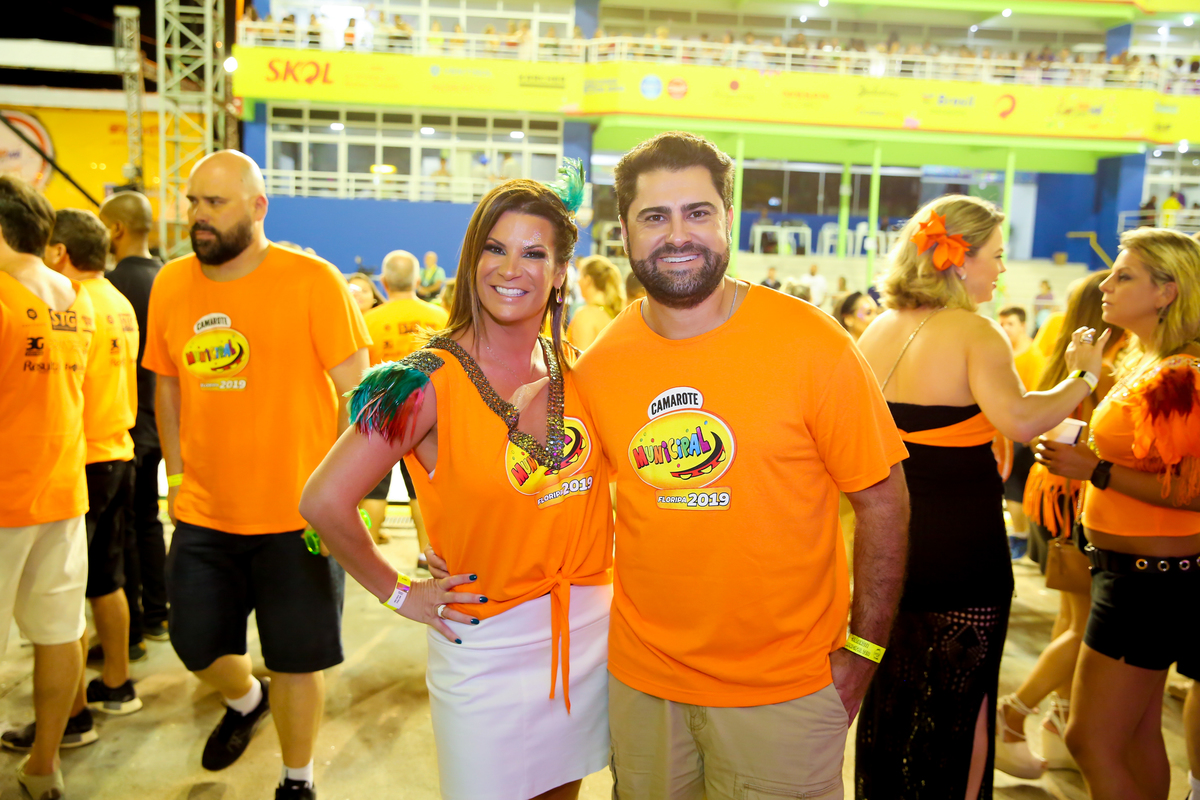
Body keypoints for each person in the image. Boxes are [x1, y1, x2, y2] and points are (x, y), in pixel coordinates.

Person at [574, 131, 911, 798]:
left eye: (697, 212)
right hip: (644, 687)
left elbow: (884, 502)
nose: (677, 234)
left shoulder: (812, 344)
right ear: (624, 231)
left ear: (728, 218)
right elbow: (565, 499)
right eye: (654, 216)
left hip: (783, 692)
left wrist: (865, 652)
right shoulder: (603, 363)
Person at [301, 165, 614, 800]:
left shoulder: (580, 371)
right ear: (472, 261)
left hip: (585, 633)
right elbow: (324, 500)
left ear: (561, 273)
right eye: (495, 248)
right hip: (483, 645)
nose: (511, 268)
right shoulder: (420, 383)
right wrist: (401, 593)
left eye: (534, 253)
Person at [853, 194, 1109, 799]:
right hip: (961, 551)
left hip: (888, 544)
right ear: (959, 260)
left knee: (894, 700)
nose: (1002, 268)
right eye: (995, 255)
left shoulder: (880, 328)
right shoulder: (974, 331)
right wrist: (1084, 376)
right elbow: (1020, 418)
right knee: (965, 708)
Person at [142, 150, 369, 800]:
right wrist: (177, 476)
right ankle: (245, 699)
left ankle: (297, 780)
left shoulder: (313, 280)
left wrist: (339, 495)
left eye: (214, 203)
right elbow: (168, 385)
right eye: (193, 202)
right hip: (204, 512)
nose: (198, 215)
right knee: (193, 642)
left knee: (297, 659)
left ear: (257, 207)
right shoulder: (171, 282)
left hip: (297, 518)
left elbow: (358, 393)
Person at [1036, 228, 1200, 800]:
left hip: (1146, 584)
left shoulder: (1180, 375)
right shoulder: (1152, 363)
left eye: (1123, 276)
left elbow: (1192, 492)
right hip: (1134, 575)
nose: (1105, 284)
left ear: (1166, 292)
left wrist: (1096, 470)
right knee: (1133, 737)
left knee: (1090, 740)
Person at [998, 271, 1126, 779]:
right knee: (1084, 627)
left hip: (1053, 494)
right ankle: (1015, 714)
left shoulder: (1067, 360)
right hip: (1074, 499)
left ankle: (1059, 716)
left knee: (1073, 618)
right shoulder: (1101, 370)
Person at [0, 175, 95, 800]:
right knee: (60, 631)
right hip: (62, 488)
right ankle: (43, 767)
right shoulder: (73, 296)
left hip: (6, 494)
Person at [43, 209, 143, 721]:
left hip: (84, 461)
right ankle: (118, 684)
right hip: (118, 451)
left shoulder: (71, 303)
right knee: (107, 578)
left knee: (67, 595)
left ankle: (73, 713)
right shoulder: (117, 301)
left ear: (59, 251)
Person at [100, 191, 169, 648]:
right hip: (166, 423)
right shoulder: (170, 279)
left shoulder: (108, 288)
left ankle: (129, 634)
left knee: (124, 527)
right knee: (149, 521)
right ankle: (158, 615)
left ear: (116, 230)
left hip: (124, 424)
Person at [361, 249, 449, 557]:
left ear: (384, 282)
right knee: (422, 489)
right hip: (430, 418)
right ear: (416, 281)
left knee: (375, 489)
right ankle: (428, 556)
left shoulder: (368, 321)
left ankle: (368, 559)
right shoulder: (441, 318)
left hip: (381, 416)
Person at [999, 305, 1048, 560]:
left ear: (1022, 326)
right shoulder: (1004, 353)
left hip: (1023, 430)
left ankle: (1022, 537)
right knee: (1011, 485)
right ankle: (1020, 535)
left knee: (1016, 485)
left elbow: (1035, 396)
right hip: (1006, 429)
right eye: (1002, 324)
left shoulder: (1033, 356)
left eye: (1010, 324)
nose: (1005, 329)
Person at [566, 255, 623, 350]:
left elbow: (581, 358)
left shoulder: (586, 316)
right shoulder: (615, 315)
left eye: (580, 275)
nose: (578, 281)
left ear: (587, 280)